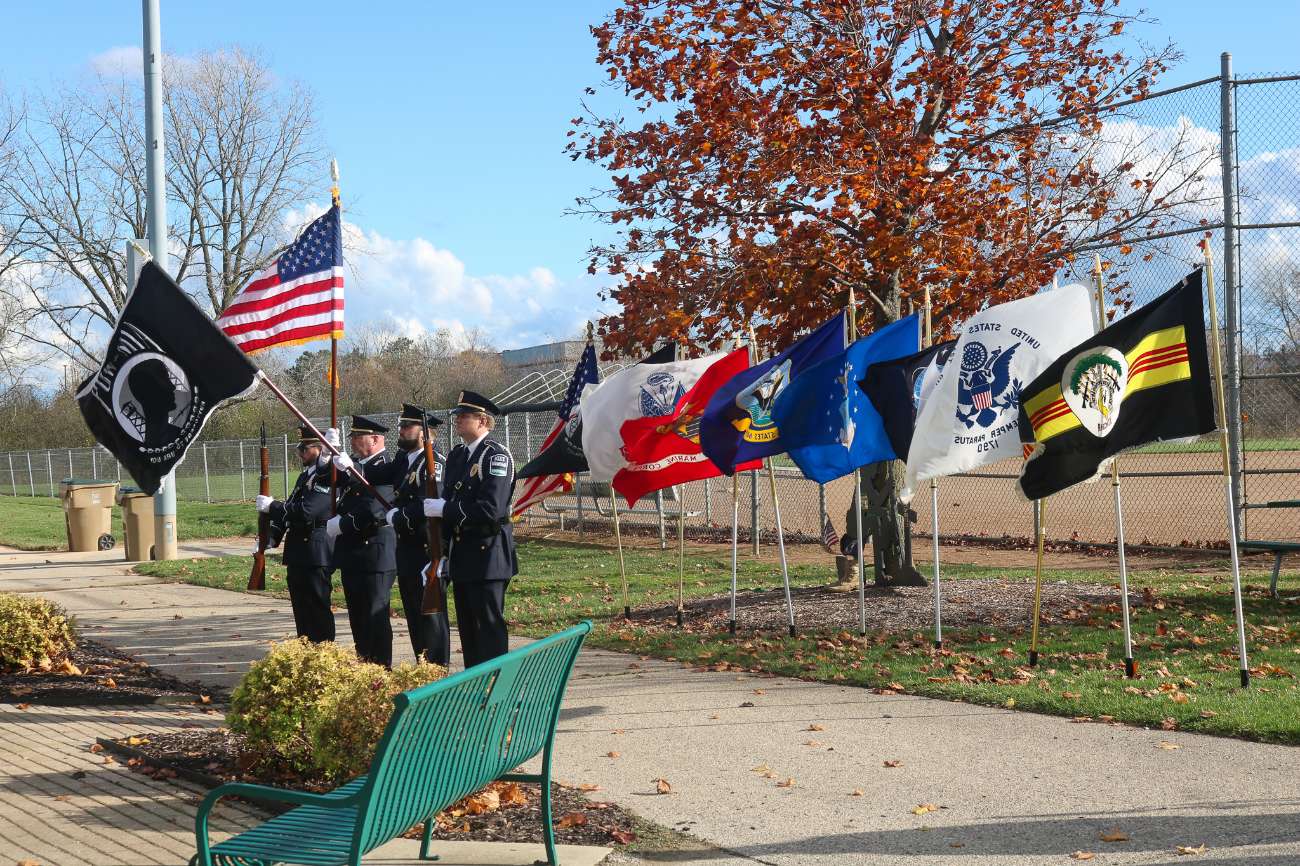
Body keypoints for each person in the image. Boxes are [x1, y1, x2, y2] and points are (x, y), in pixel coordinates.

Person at [423, 391, 517, 669]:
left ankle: (494, 687)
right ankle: (475, 686)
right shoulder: (458, 455)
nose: (458, 421)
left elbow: (491, 509)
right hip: (463, 554)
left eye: (465, 416)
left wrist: (446, 510)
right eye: (458, 416)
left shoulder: (495, 457)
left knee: (487, 626)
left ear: (483, 421)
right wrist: (439, 553)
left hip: (488, 554)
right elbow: (452, 497)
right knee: (467, 627)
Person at [379, 403, 450, 666]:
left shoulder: (435, 463)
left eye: (407, 426)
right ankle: (422, 669)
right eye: (401, 426)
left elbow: (429, 503)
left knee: (431, 617)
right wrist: (342, 463)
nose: (401, 430)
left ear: (425, 433)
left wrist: (400, 516)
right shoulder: (404, 460)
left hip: (426, 549)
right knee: (413, 615)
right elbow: (375, 473)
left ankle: (436, 671)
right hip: (406, 550)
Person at [326, 415, 398, 667]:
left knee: (374, 616)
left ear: (376, 439)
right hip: (353, 553)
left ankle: (380, 669)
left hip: (375, 551)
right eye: (353, 437)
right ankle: (365, 665)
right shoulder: (356, 466)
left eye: (358, 437)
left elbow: (375, 507)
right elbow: (330, 482)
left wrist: (343, 524)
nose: (354, 441)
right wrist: (328, 455)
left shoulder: (386, 465)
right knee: (357, 616)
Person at [258, 426, 338, 642]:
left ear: (320, 449)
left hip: (316, 550)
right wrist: (270, 538)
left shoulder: (326, 477)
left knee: (317, 609)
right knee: (301, 610)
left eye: (304, 447)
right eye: (299, 448)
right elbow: (291, 510)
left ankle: (322, 654)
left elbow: (306, 511)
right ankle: (305, 652)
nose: (300, 452)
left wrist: (272, 506)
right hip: (298, 551)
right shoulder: (305, 477)